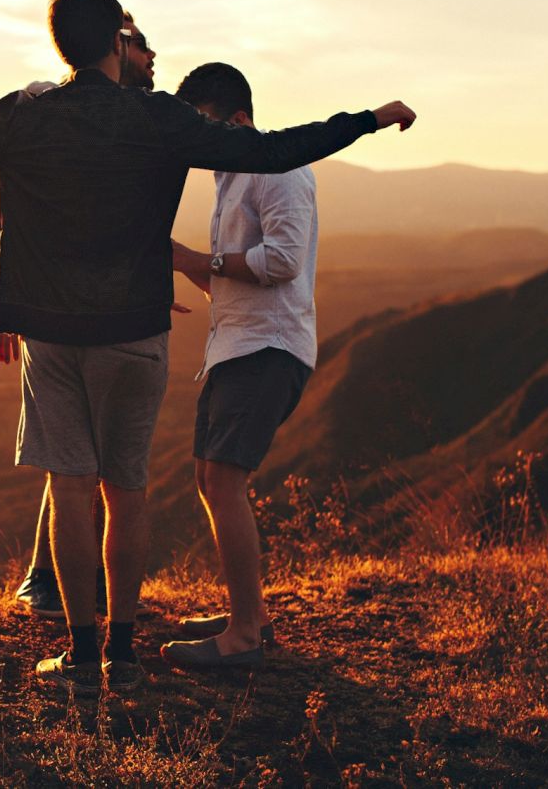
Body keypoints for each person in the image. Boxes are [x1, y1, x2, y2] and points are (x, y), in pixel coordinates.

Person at [0, 0, 414, 695]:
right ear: (119, 44)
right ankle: (123, 654)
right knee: (128, 492)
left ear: (63, 44)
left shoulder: (27, 115)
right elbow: (275, 150)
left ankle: (82, 657)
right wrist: (367, 118)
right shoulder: (156, 118)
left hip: (53, 332)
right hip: (136, 328)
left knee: (71, 488)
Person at [0, 13, 159, 621]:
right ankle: (50, 584)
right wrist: (2, 300)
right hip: (57, 315)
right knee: (75, 462)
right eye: (141, 43)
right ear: (114, 47)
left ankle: (68, 593)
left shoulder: (125, 122)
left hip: (101, 311)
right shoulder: (51, 109)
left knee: (82, 460)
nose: (154, 56)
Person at [158, 63, 322, 671]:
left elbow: (280, 261)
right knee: (210, 478)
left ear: (236, 118)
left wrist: (202, 258)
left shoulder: (276, 169)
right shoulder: (231, 176)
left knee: (224, 481)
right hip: (236, 346)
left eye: (200, 123)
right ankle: (243, 612)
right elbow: (230, 276)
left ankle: (245, 635)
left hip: (268, 349)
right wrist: (181, 263)